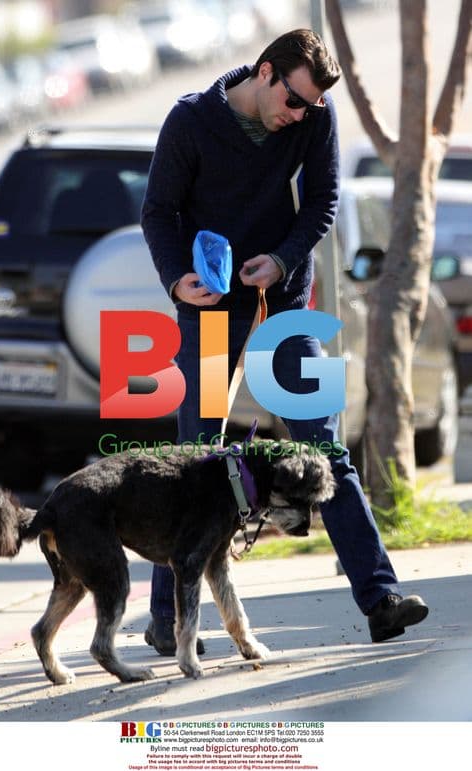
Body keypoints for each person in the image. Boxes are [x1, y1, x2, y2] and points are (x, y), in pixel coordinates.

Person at [141, 28, 428, 655]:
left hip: (284, 305)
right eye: (293, 101)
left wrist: (283, 258)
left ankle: (380, 601)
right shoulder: (190, 121)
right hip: (209, 310)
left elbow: (323, 200)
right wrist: (176, 282)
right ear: (266, 72)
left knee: (326, 451)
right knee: (194, 460)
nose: (299, 115)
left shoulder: (313, 117)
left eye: (311, 106)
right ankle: (165, 620)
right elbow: (158, 211)